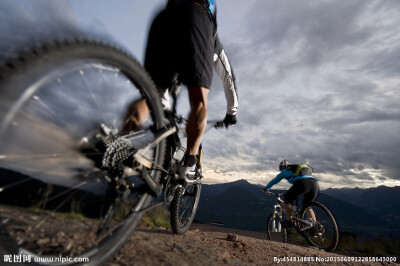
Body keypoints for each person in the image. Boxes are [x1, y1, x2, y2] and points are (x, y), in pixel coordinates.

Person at [125, 0, 238, 182]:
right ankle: (189, 165)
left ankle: (121, 147)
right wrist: (231, 113)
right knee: (199, 100)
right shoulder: (214, 41)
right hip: (196, 16)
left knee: (152, 96)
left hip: (164, 18)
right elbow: (228, 79)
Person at [263, 160, 319, 227]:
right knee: (307, 205)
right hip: (314, 184)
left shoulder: (284, 171)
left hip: (302, 183)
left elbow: (274, 181)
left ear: (282, 167)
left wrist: (266, 188)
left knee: (287, 200)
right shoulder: (296, 169)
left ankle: (289, 221)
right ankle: (315, 226)